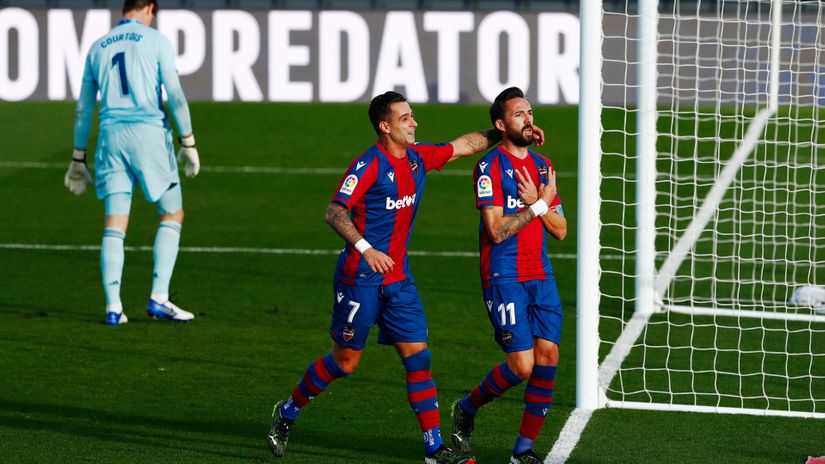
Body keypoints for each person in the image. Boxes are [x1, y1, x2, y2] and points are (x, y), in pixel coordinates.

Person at [266, 91, 544, 464]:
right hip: (359, 280)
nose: (414, 122)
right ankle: (287, 411)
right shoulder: (368, 165)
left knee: (418, 358)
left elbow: (462, 146)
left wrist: (515, 131)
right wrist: (366, 248)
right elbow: (334, 212)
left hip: (399, 281)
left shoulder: (417, 159)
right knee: (345, 362)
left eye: (412, 116)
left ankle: (434, 449)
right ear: (385, 127)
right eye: (405, 118)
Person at [64, 0, 200, 325]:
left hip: (111, 137)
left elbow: (84, 109)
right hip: (149, 133)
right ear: (150, 8)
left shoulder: (98, 47)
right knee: (172, 212)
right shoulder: (157, 41)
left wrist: (77, 158)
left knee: (115, 221)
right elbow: (176, 95)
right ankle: (159, 298)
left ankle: (113, 307)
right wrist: (188, 142)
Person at [450, 87, 567, 464]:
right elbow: (497, 230)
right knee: (522, 366)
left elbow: (561, 229)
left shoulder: (545, 167)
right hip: (504, 274)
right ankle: (467, 406)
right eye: (519, 114)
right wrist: (537, 206)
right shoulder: (489, 168)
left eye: (529, 112)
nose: (528, 119)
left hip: (540, 273)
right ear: (501, 124)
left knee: (548, 357)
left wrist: (537, 201)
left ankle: (522, 451)